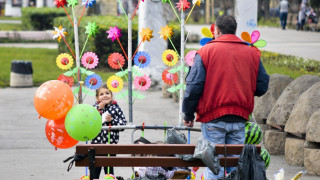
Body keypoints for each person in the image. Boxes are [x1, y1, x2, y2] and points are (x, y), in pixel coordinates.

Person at [182, 15, 269, 180]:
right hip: (239, 118)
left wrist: (188, 113)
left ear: (216, 30)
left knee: (214, 167)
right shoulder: (251, 52)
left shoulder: (206, 51)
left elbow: (194, 87)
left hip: (213, 118)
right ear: (234, 31)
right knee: (235, 167)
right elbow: (262, 86)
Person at [91, 84, 127, 179]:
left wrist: (112, 121)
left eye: (107, 93)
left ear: (111, 95)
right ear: (97, 97)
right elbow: (89, 122)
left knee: (109, 172)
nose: (105, 96)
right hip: (96, 144)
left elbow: (123, 125)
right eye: (101, 94)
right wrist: (99, 108)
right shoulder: (94, 108)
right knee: (94, 171)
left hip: (110, 144)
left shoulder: (116, 108)